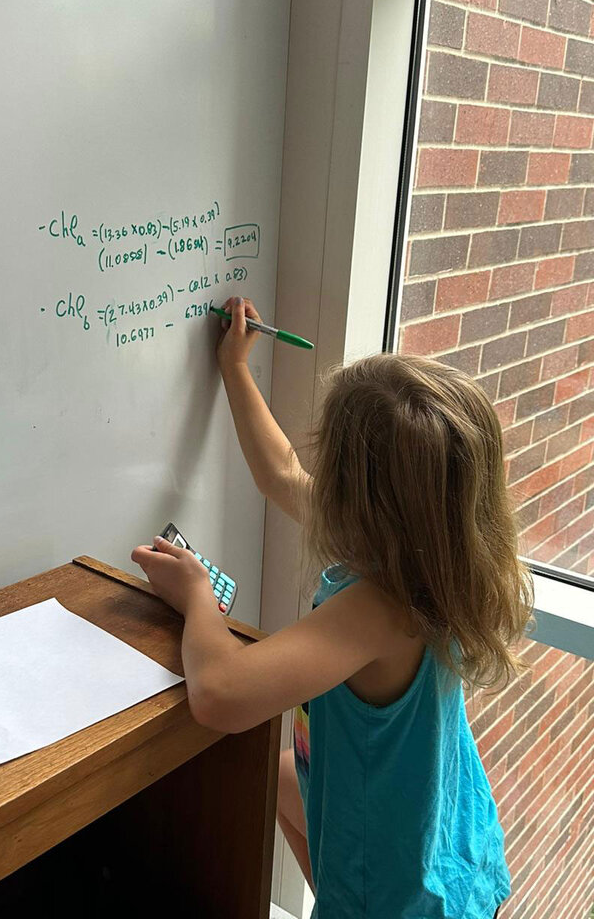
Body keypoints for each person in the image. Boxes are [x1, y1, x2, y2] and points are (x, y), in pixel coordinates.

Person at [132, 296, 533, 918]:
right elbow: (278, 473)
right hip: (449, 844)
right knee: (281, 775)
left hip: (404, 896)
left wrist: (197, 598)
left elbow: (219, 693)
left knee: (276, 774)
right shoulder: (436, 559)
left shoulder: (380, 607)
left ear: (357, 493)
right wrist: (235, 366)